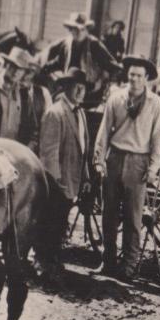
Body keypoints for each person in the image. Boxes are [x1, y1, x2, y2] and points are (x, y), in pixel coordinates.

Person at [93, 55, 160, 281]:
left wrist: (154, 167)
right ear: (127, 75)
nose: (134, 79)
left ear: (146, 79)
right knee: (109, 214)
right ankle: (108, 261)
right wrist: (99, 159)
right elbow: (104, 131)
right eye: (131, 75)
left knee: (134, 217)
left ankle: (130, 265)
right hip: (115, 158)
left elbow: (158, 138)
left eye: (139, 76)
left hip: (138, 162)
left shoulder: (155, 104)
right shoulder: (116, 99)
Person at [39, 68, 90, 274]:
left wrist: (86, 176)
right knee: (50, 221)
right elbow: (48, 152)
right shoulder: (56, 112)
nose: (80, 91)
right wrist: (55, 180)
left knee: (60, 223)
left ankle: (53, 260)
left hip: (73, 179)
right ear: (66, 88)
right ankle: (44, 262)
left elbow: (83, 148)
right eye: (76, 87)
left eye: (83, 88)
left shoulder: (81, 113)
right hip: (58, 182)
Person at [44, 12, 122, 108]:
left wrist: (102, 82)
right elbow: (59, 62)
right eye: (75, 29)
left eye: (82, 29)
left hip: (90, 94)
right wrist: (44, 69)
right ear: (70, 30)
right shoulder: (66, 45)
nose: (79, 33)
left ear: (87, 30)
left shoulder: (94, 45)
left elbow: (113, 67)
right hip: (70, 91)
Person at [18, 55, 53, 155]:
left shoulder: (43, 93)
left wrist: (34, 143)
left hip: (36, 148)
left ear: (34, 74)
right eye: (23, 71)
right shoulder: (14, 91)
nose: (25, 76)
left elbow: (47, 123)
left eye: (29, 72)